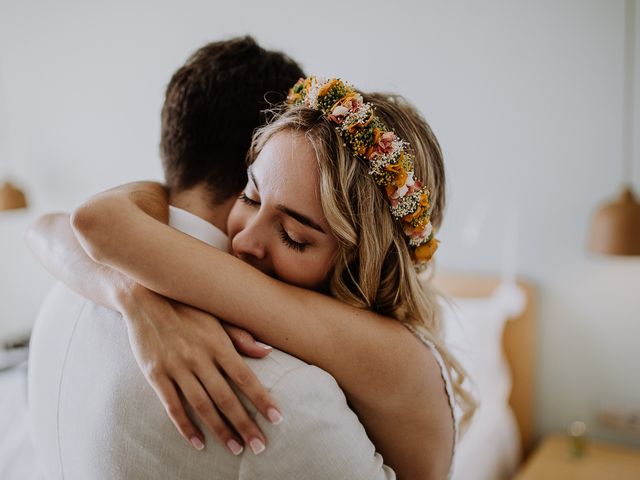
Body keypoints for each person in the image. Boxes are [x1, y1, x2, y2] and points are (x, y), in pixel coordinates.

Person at [38, 77, 476, 479]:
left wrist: (141, 289)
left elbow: (98, 223)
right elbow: (50, 228)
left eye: (294, 236)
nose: (244, 240)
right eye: (250, 195)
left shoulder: (391, 355)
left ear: (366, 267)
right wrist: (133, 295)